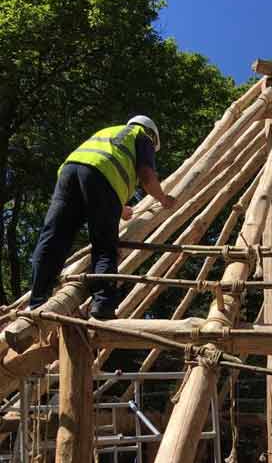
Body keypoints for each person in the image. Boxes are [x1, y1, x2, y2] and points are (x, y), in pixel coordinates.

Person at [30, 115, 176, 319]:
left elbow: (95, 173)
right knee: (105, 246)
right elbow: (146, 176)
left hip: (69, 172)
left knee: (54, 237)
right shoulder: (142, 136)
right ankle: (103, 305)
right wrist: (163, 198)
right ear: (152, 134)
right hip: (102, 179)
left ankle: (37, 300)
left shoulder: (109, 132)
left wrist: (120, 208)